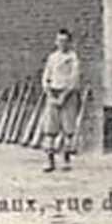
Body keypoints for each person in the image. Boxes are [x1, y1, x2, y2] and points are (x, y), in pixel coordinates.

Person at [38, 29, 81, 172]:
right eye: (59, 41)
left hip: (67, 95)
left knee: (68, 129)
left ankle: (66, 160)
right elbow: (46, 77)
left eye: (65, 41)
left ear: (69, 42)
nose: (61, 44)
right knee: (50, 129)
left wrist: (64, 96)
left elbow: (74, 79)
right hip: (53, 93)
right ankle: (49, 162)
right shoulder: (52, 57)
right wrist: (49, 93)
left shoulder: (73, 58)